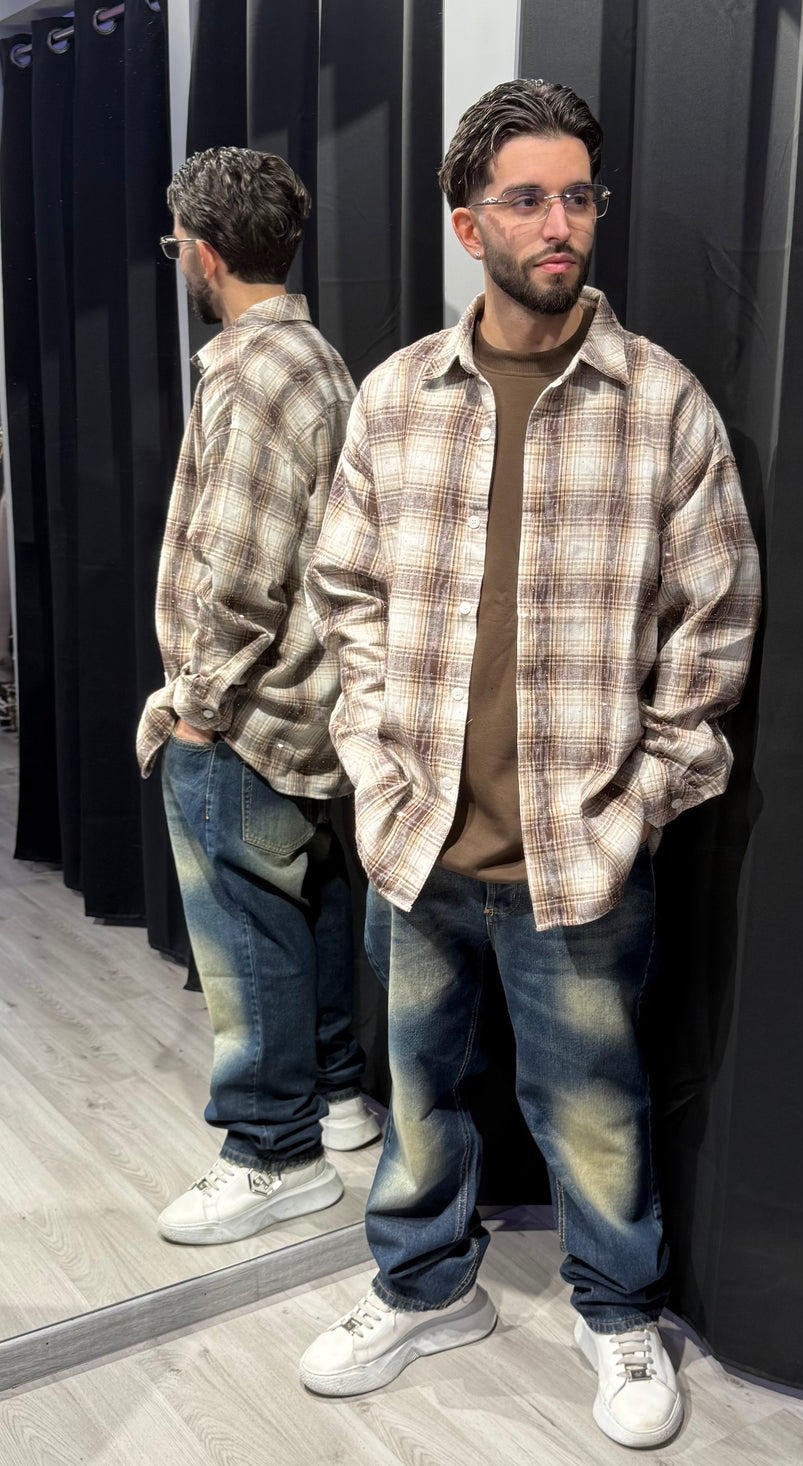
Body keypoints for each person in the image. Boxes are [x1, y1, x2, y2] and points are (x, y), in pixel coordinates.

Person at [300, 81, 760, 1449]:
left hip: (580, 846)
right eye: (526, 199)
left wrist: (642, 798)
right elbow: (344, 594)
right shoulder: (395, 396)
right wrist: (375, 764)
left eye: (577, 196)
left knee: (597, 1109)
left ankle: (615, 1312)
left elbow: (714, 621)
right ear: (467, 225)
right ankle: (423, 1284)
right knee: (419, 1095)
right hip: (419, 839)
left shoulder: (660, 402)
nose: (560, 224)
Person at [136, 147, 379, 1248]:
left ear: (203, 252)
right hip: (313, 705)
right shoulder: (318, 356)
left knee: (246, 932)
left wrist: (195, 708)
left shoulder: (249, 371)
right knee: (309, 903)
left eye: (176, 246)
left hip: (249, 712)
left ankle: (273, 1152)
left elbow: (237, 568)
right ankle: (335, 1099)